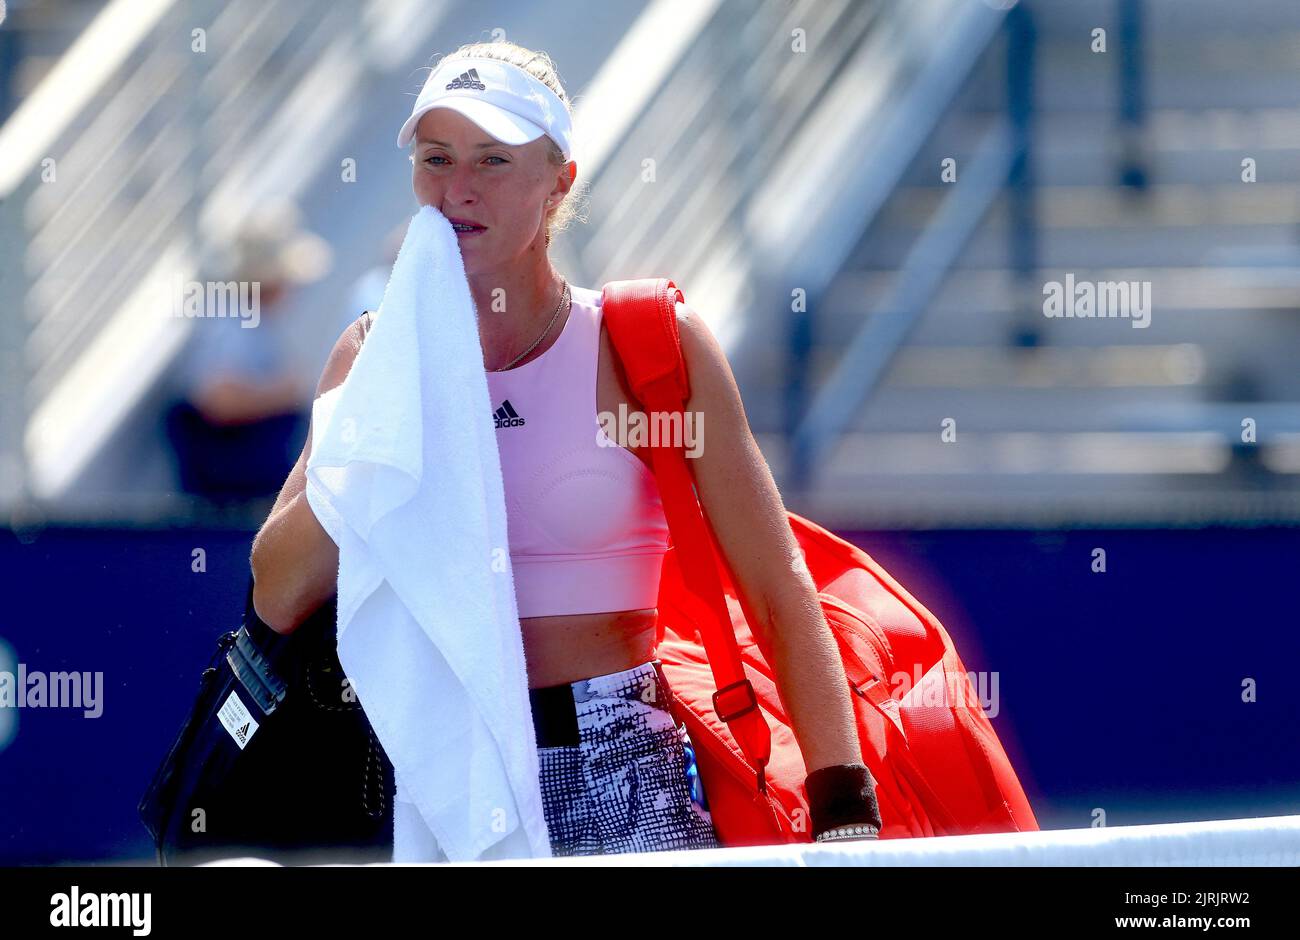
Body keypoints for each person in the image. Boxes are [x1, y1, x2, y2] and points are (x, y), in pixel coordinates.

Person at [250, 41, 880, 856]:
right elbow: (278, 587)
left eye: (494, 160)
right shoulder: (372, 356)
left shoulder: (649, 344)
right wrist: (393, 392)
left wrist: (843, 805)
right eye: (437, 159)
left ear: (560, 182)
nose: (458, 190)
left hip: (622, 765)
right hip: (440, 764)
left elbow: (775, 585)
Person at [164, 202, 331, 504]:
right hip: (232, 486)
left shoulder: (254, 322)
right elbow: (218, 400)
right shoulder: (235, 324)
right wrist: (285, 393)